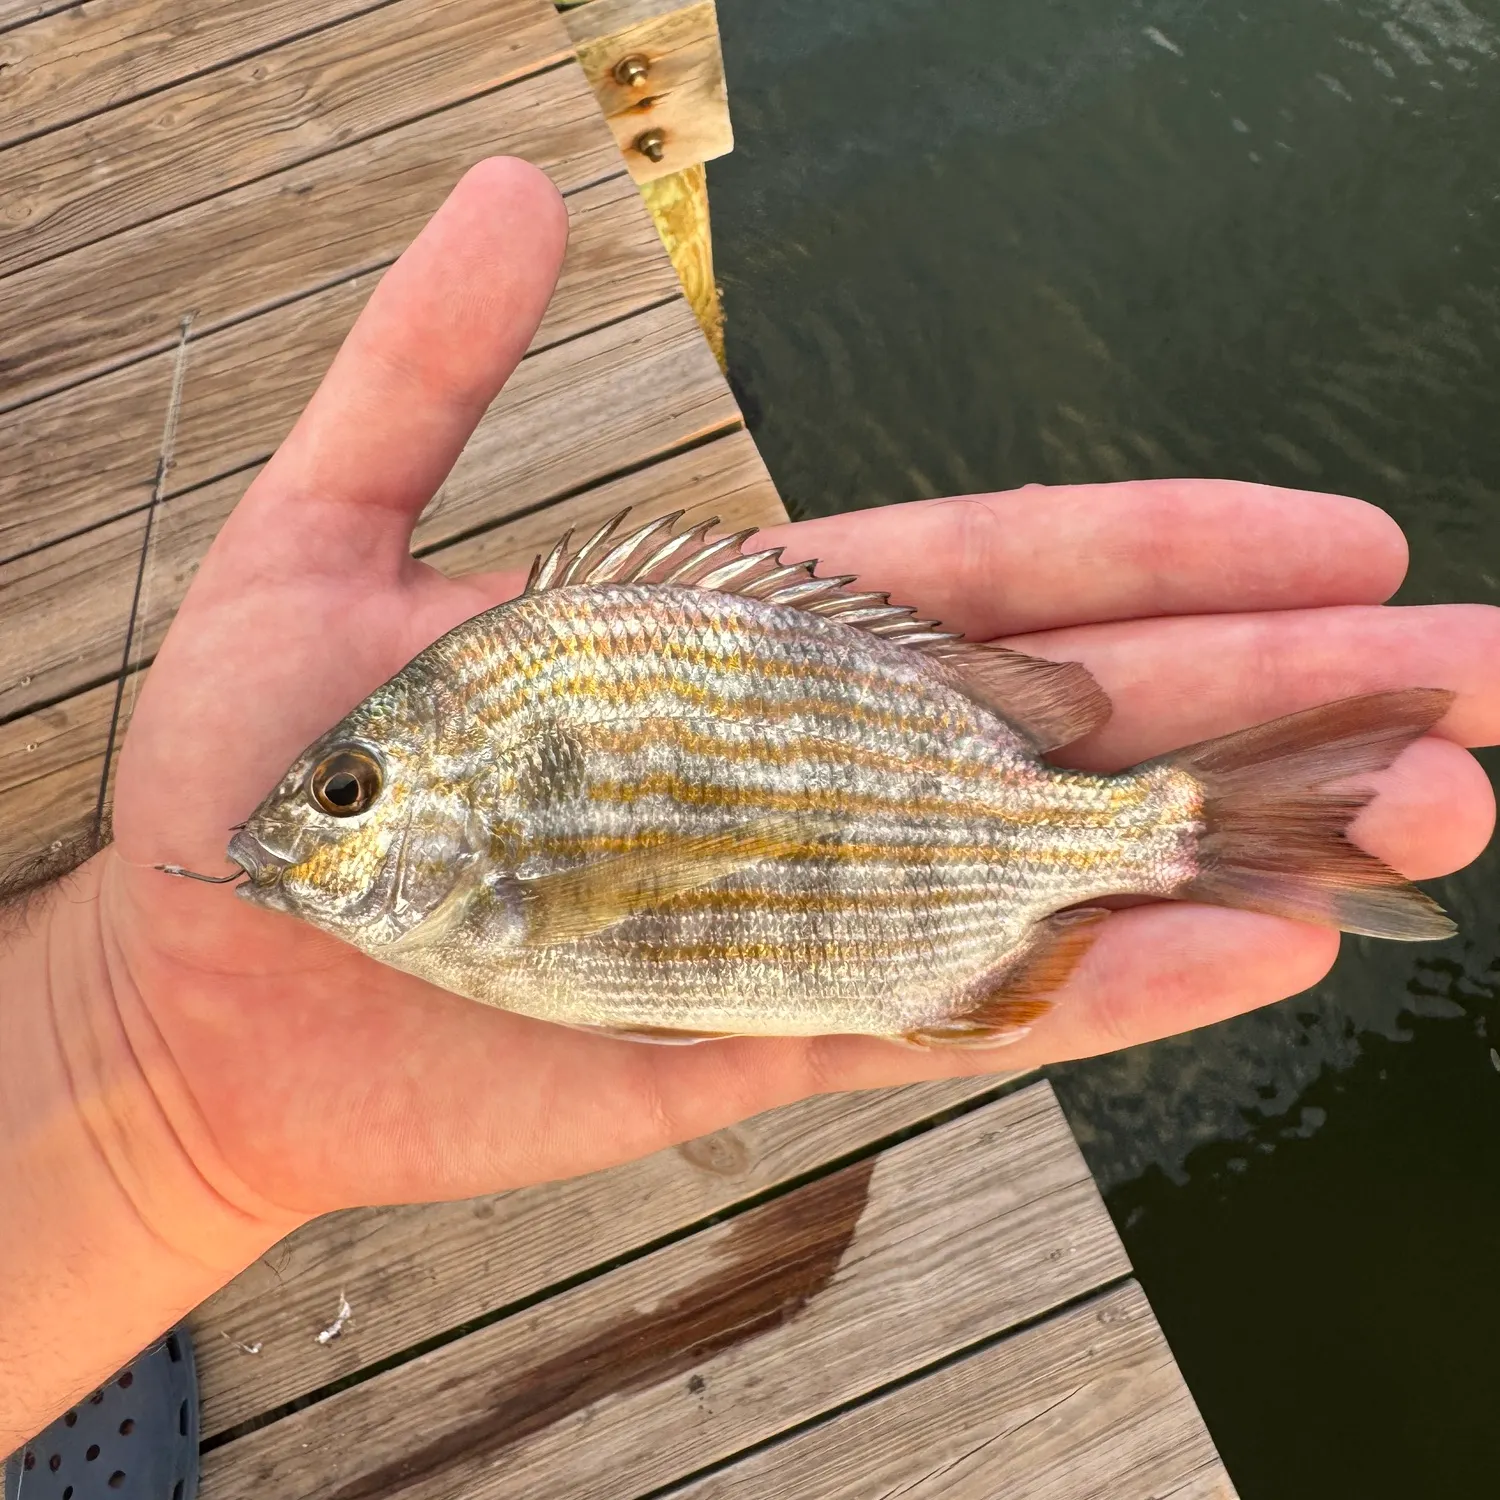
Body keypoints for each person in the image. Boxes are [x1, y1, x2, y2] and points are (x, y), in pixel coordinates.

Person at [2, 157, 1495, 1450]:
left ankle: (1201, 832)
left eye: (347, 791)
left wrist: (122, 1028)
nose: (307, 821)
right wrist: (132, 1024)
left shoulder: (505, 838)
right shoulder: (464, 833)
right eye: (340, 787)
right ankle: (1216, 835)